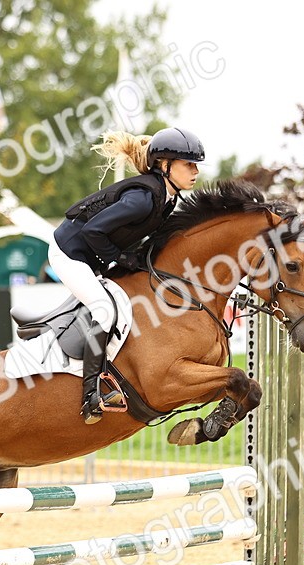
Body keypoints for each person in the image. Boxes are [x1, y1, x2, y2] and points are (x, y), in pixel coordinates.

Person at [53, 127, 205, 424]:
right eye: (189, 164)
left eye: (195, 165)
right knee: (104, 309)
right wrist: (122, 258)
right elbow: (92, 230)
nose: (195, 171)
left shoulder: (169, 198)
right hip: (69, 253)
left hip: (93, 255)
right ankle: (90, 394)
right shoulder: (142, 199)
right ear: (165, 165)